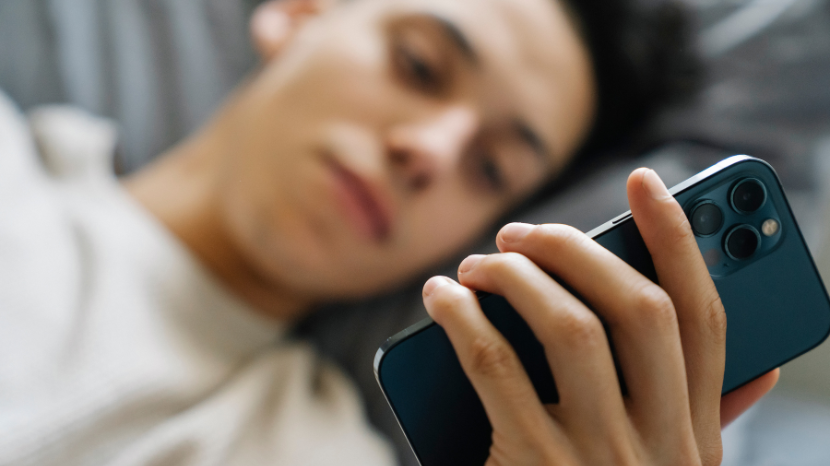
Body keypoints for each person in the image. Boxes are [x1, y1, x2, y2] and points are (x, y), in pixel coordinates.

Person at [0, 0, 778, 464]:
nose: (430, 153)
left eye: (490, 167)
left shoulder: (317, 449)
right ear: (302, 12)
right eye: (418, 65)